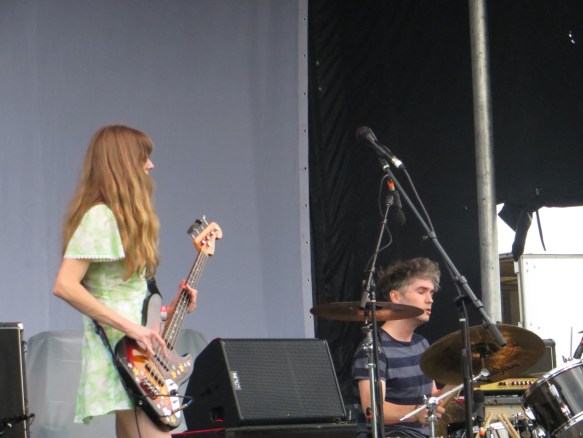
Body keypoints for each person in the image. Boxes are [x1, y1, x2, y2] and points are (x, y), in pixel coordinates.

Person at [53, 125, 198, 438]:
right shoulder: (100, 217)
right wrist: (132, 328)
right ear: (123, 163)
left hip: (138, 357)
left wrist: (167, 311)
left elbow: (120, 295)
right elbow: (65, 285)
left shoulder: (115, 219)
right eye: (144, 157)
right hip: (126, 355)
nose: (151, 165)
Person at [352, 257, 447, 438]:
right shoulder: (373, 348)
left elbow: (433, 395)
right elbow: (373, 409)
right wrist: (415, 412)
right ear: (395, 296)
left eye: (432, 293)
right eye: (421, 292)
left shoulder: (421, 343)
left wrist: (459, 380)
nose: (430, 300)